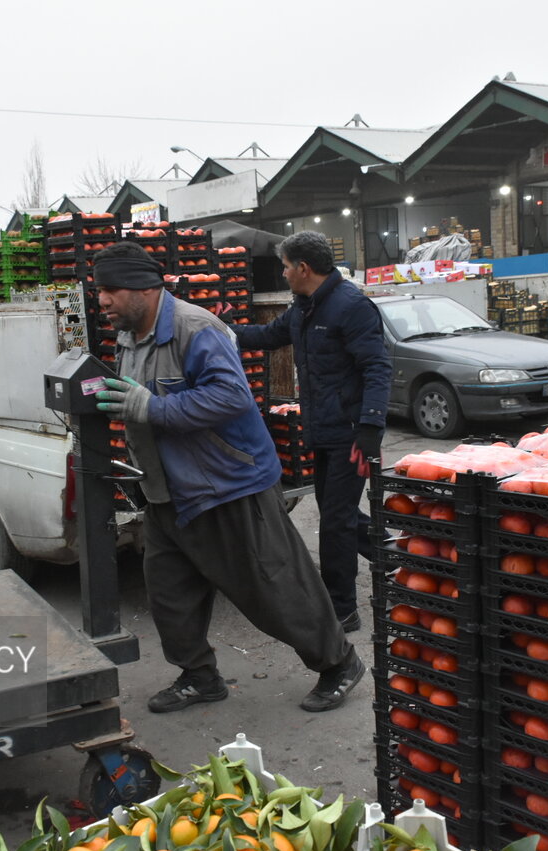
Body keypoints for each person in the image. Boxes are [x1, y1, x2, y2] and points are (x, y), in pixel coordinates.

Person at [91, 241, 365, 714]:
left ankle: (339, 662)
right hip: (166, 491)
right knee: (169, 592)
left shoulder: (196, 329)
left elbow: (231, 398)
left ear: (143, 287)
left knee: (274, 587)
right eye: (101, 291)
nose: (103, 301)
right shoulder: (128, 337)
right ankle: (199, 675)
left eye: (111, 290)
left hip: (227, 484)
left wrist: (153, 407)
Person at [230, 231, 391, 633]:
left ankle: (342, 608)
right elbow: (268, 338)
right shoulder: (304, 308)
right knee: (338, 511)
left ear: (303, 268)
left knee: (335, 520)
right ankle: (399, 557)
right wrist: (225, 328)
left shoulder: (351, 306)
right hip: (321, 428)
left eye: (285, 266)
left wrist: (371, 426)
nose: (282, 273)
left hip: (352, 434)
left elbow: (378, 367)